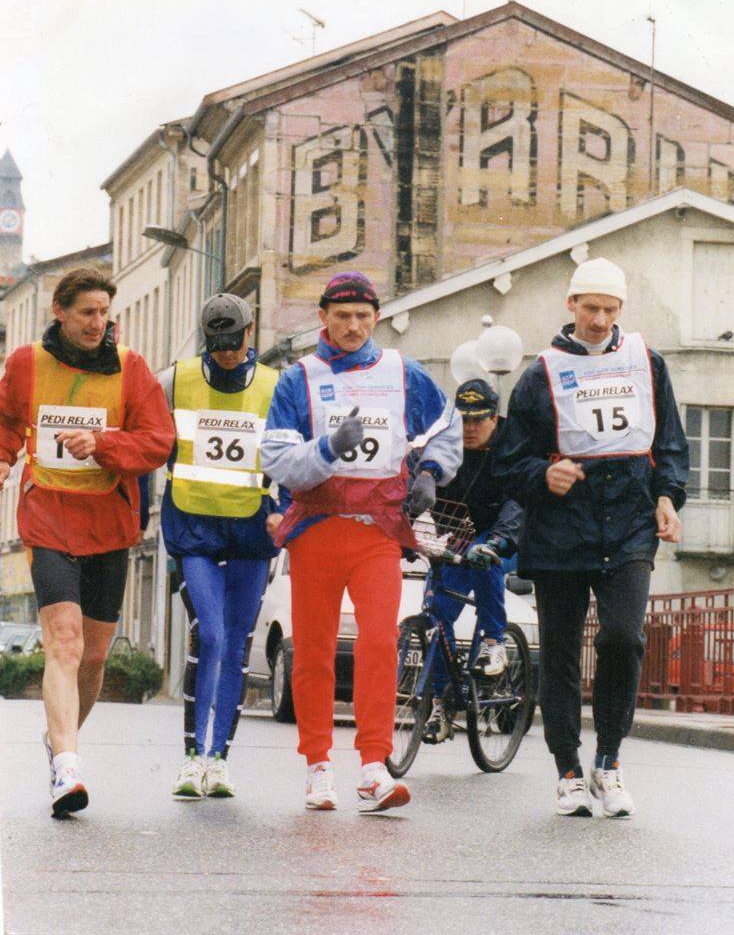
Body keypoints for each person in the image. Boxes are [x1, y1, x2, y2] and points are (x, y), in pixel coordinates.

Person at [260, 271, 462, 813]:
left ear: (377, 317)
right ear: (323, 317)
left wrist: (430, 472)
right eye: (342, 316)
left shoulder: (403, 371)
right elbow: (277, 459)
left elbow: (447, 425)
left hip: (377, 531)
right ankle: (318, 765)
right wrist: (327, 448)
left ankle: (374, 765)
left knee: (379, 640)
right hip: (318, 529)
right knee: (314, 649)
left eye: (363, 317)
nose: (353, 327)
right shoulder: (298, 379)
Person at [495, 257, 688, 818]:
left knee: (623, 638)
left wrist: (668, 496)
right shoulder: (540, 374)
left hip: (629, 523)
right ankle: (568, 771)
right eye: (590, 308)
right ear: (571, 305)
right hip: (561, 529)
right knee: (560, 653)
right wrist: (543, 474)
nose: (600, 320)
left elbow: (670, 443)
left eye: (609, 309)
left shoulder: (647, 362)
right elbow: (511, 463)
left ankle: (609, 760)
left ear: (621, 309)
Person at [0, 268, 173, 817]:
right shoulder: (27, 363)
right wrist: (2, 459)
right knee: (65, 643)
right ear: (60, 311)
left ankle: (60, 741)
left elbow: (158, 442)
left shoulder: (131, 368)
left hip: (109, 523)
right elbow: (5, 422)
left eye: (104, 312)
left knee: (93, 657)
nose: (98, 323)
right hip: (48, 517)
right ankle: (68, 768)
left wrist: (102, 444)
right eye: (87, 313)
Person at [160, 294, 286, 800]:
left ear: (250, 332)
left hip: (252, 529)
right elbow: (147, 436)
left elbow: (291, 454)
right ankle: (192, 757)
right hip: (193, 525)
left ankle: (218, 760)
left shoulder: (276, 386)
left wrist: (287, 508)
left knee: (235, 644)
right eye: (217, 345)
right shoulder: (176, 380)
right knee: (209, 635)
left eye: (234, 343)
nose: (227, 354)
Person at [422, 378, 523, 745]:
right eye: (463, 420)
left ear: (494, 418)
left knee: (486, 558)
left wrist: (499, 540)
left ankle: (494, 641)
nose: (469, 428)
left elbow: (518, 499)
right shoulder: (444, 443)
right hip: (457, 532)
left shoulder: (512, 445)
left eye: (478, 420)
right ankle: (441, 703)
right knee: (435, 614)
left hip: (502, 533)